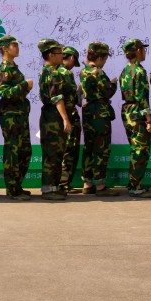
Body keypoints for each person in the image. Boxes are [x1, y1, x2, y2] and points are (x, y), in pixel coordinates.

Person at [0, 35, 33, 201]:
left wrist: (24, 89)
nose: (17, 48)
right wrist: (24, 85)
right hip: (11, 117)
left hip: (20, 116)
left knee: (24, 151)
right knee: (13, 152)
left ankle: (17, 186)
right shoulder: (4, 68)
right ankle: (12, 189)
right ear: (5, 48)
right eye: (14, 45)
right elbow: (4, 92)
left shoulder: (13, 67)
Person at [79, 41, 118, 196]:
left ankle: (87, 183)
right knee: (101, 148)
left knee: (89, 147)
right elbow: (107, 92)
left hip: (88, 111)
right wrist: (113, 84)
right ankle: (100, 185)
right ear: (100, 57)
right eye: (105, 58)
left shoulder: (83, 71)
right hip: (100, 113)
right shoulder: (98, 72)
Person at [37, 38, 71, 201]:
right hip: (53, 118)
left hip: (50, 116)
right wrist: (65, 119)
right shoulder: (52, 73)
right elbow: (57, 98)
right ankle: (48, 189)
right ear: (51, 55)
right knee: (52, 153)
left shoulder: (47, 71)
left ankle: (54, 187)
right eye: (59, 53)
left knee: (56, 153)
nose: (62, 55)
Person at [120, 39, 151, 198]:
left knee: (136, 149)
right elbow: (142, 98)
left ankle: (135, 184)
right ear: (138, 51)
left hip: (128, 111)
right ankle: (135, 186)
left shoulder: (125, 70)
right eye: (143, 49)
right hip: (138, 112)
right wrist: (148, 120)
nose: (145, 53)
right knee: (140, 151)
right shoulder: (139, 71)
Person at [58, 46, 83, 194]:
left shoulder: (54, 71)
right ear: (72, 58)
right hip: (68, 116)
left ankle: (62, 183)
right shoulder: (65, 73)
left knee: (63, 151)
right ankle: (63, 184)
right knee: (68, 151)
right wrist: (79, 92)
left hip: (59, 117)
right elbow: (71, 99)